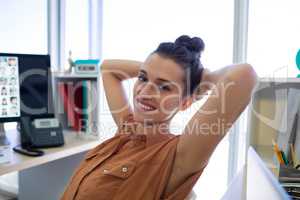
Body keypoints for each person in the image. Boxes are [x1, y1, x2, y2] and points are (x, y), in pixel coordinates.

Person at [61, 35, 257, 200]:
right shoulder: (127, 128)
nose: (144, 92)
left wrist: (200, 79)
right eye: (143, 78)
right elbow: (108, 69)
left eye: (164, 87)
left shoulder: (178, 156)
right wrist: (158, 69)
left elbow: (245, 75)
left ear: (185, 102)